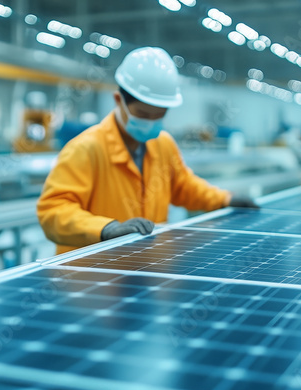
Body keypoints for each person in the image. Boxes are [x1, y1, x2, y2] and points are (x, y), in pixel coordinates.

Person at [37, 47, 258, 255]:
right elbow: (53, 211)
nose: (151, 122)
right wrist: (105, 229)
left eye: (159, 115)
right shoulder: (86, 149)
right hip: (93, 277)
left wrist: (225, 199)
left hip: (146, 264)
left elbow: (185, 187)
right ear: (118, 101)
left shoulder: (163, 144)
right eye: (143, 114)